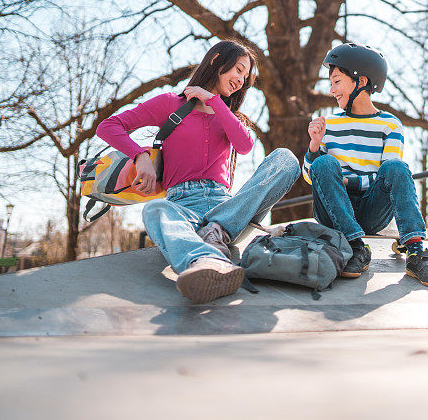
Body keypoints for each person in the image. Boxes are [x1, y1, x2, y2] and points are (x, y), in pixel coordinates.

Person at [96, 40, 300, 303]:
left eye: (245, 76)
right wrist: (140, 156)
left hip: (227, 205)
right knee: (154, 210)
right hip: (182, 206)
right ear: (216, 60)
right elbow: (109, 126)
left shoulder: (230, 117)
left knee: (285, 159)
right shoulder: (169, 103)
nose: (240, 78)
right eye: (238, 69)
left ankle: (219, 229)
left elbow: (245, 146)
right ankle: (208, 261)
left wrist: (214, 101)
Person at [303, 43, 428, 288]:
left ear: (361, 81)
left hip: (371, 210)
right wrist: (314, 146)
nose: (331, 90)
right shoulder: (327, 123)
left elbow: (389, 174)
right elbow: (311, 177)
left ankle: (416, 252)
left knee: (397, 167)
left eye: (337, 81)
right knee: (325, 162)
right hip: (333, 209)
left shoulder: (390, 124)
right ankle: (357, 247)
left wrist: (353, 180)